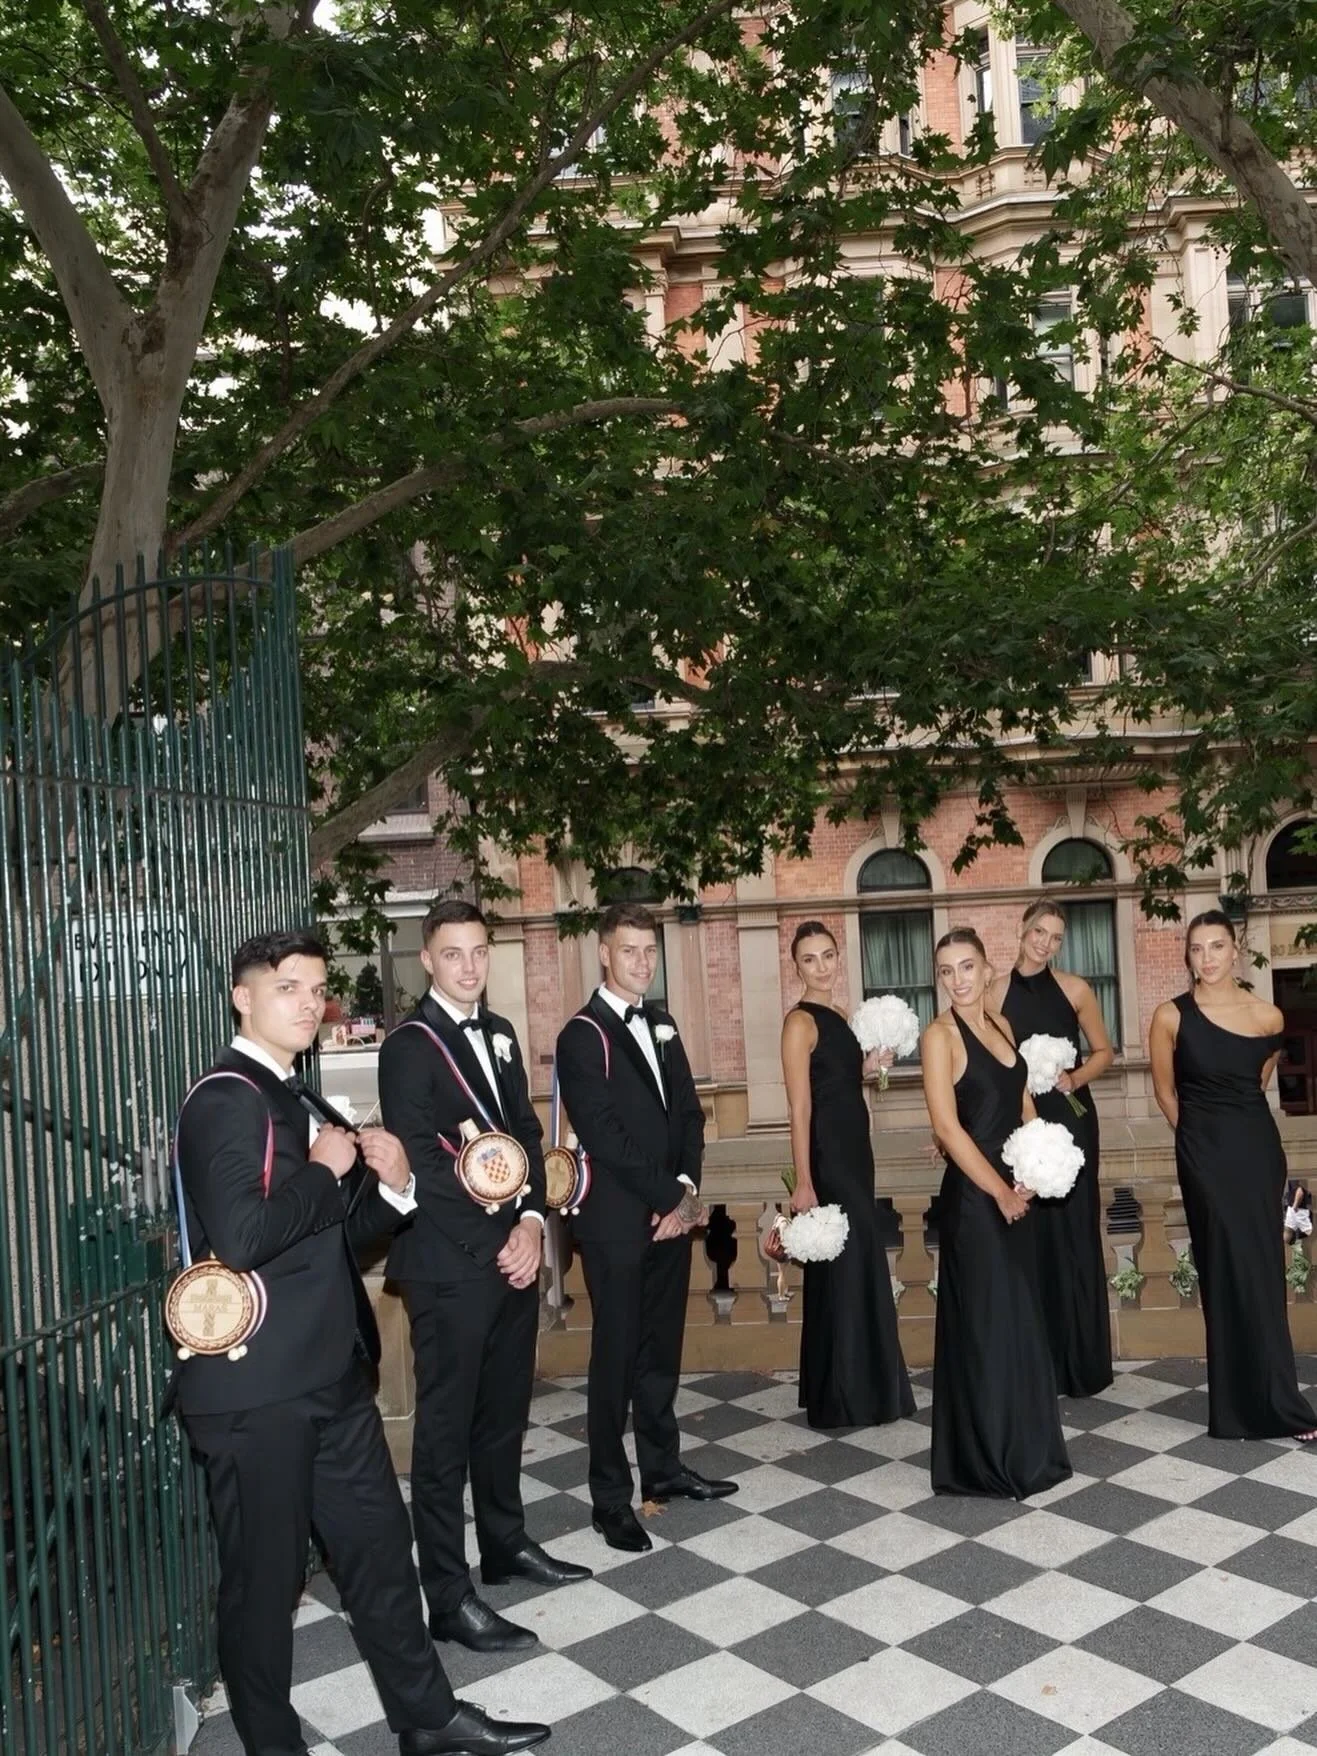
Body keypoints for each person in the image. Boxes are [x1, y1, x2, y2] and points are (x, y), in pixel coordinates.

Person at [174, 929, 548, 1756]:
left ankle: (428, 1718)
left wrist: (396, 1185)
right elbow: (240, 1238)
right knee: (264, 1590)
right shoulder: (223, 1096)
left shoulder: (293, 1095)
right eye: (288, 988)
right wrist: (323, 1164)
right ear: (243, 996)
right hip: (257, 1395)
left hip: (330, 1381)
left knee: (380, 1555)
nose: (308, 1003)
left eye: (316, 990)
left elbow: (333, 1237)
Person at [379, 900, 590, 1655]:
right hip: (449, 1266)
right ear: (427, 960)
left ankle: (504, 1546)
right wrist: (497, 1240)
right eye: (453, 953)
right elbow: (422, 1166)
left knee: (503, 1417)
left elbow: (527, 1138)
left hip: (512, 1254)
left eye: (478, 952)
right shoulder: (410, 1045)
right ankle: (447, 1592)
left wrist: (533, 1225)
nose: (469, 966)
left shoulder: (499, 1035)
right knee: (443, 1436)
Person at [555, 901, 737, 1552]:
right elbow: (603, 1136)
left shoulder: (662, 1021)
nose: (641, 961)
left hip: (668, 1217)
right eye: (628, 950)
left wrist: (684, 1196)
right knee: (615, 1357)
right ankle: (610, 1498)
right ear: (604, 953)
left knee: (660, 1350)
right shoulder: (582, 1033)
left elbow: (689, 1113)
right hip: (614, 1224)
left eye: (649, 951)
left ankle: (662, 1469)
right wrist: (665, 1197)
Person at [1149, 910, 1317, 1442]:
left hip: (1258, 1154)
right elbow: (1165, 1092)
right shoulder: (1169, 1017)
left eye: (1216, 947)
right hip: (1203, 1156)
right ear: (1188, 955)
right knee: (1223, 1269)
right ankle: (1235, 1407)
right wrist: (1196, 1145)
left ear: (1235, 950)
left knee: (1264, 1270)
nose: (1207, 959)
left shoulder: (1268, 1017)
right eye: (1197, 949)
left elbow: (1258, 1084)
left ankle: (1278, 1400)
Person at [922, 927, 1071, 1499]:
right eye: (946, 971)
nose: (958, 980)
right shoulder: (940, 1037)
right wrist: (1000, 1193)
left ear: (987, 971)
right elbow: (946, 1128)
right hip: (975, 1201)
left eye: (967, 967)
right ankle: (985, 1460)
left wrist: (1042, 1158)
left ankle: (1028, 1450)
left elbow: (1022, 1099)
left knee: (1019, 1323)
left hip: (1016, 1190)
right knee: (986, 1327)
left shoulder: (1003, 1026)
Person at [780, 921, 915, 1428]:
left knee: (856, 1262)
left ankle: (857, 1383)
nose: (821, 966)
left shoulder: (837, 1014)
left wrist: (870, 1065)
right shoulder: (799, 1022)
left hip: (856, 1151)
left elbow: (838, 1078)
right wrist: (805, 1180)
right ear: (796, 966)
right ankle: (844, 1394)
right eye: (809, 959)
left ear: (839, 958)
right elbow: (799, 1106)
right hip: (829, 1158)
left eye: (828, 956)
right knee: (845, 1266)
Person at [993, 898, 1115, 1397]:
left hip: (1073, 1121)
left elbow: (1105, 1052)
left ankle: (1081, 1363)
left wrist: (1073, 1077)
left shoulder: (1076, 989)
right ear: (1021, 929)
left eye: (1056, 937)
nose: (1045, 943)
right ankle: (1034, 1362)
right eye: (1039, 931)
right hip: (1019, 1126)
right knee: (1031, 1240)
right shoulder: (992, 992)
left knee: (1075, 1236)